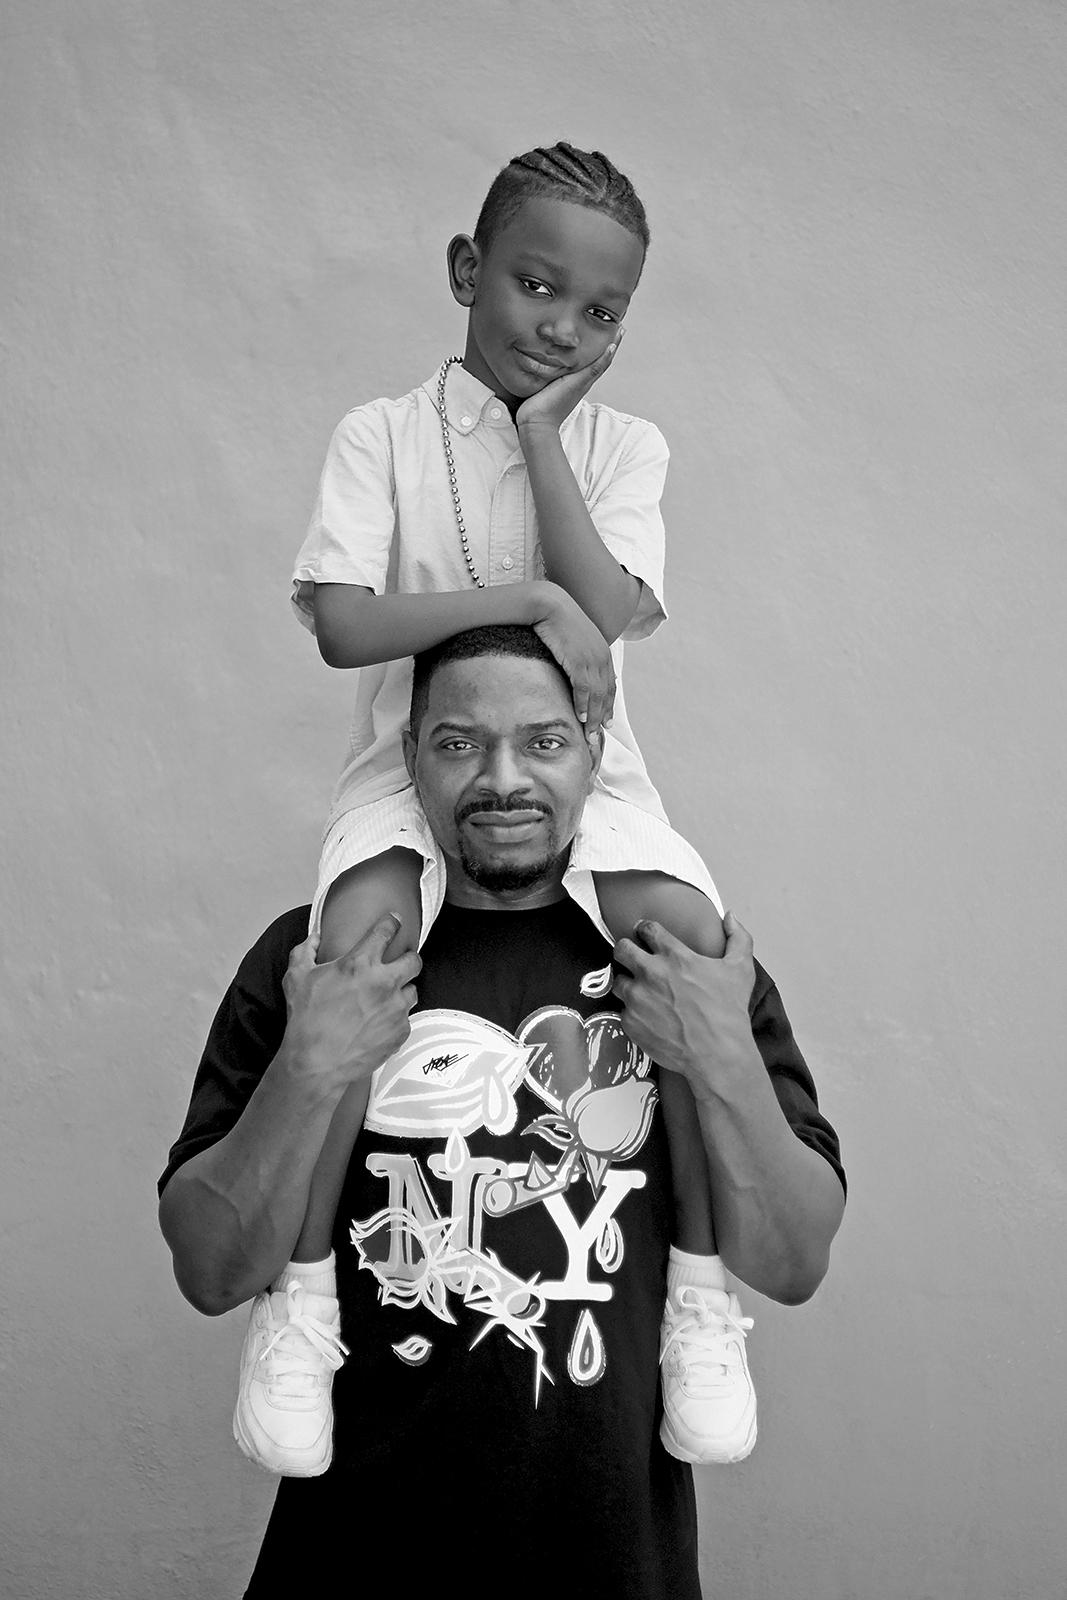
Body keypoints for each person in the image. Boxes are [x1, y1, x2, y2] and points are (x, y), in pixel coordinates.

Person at [242, 139, 754, 1478]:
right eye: (535, 287)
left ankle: (699, 1296)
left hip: (595, 767)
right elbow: (345, 627)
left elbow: (607, 610)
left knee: (686, 941)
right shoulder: (383, 435)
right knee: (353, 950)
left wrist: (540, 439)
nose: (562, 327)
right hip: (414, 765)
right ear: (468, 271)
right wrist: (518, 603)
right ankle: (299, 1309)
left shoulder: (623, 444)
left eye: (598, 312)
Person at [158, 626, 846, 1599]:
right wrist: (308, 1067)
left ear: (594, 750)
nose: (501, 778)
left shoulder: (677, 960)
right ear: (408, 758)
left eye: (542, 740)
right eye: (457, 742)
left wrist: (720, 1058)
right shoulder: (322, 957)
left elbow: (791, 1261)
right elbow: (211, 1268)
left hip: (615, 1567)